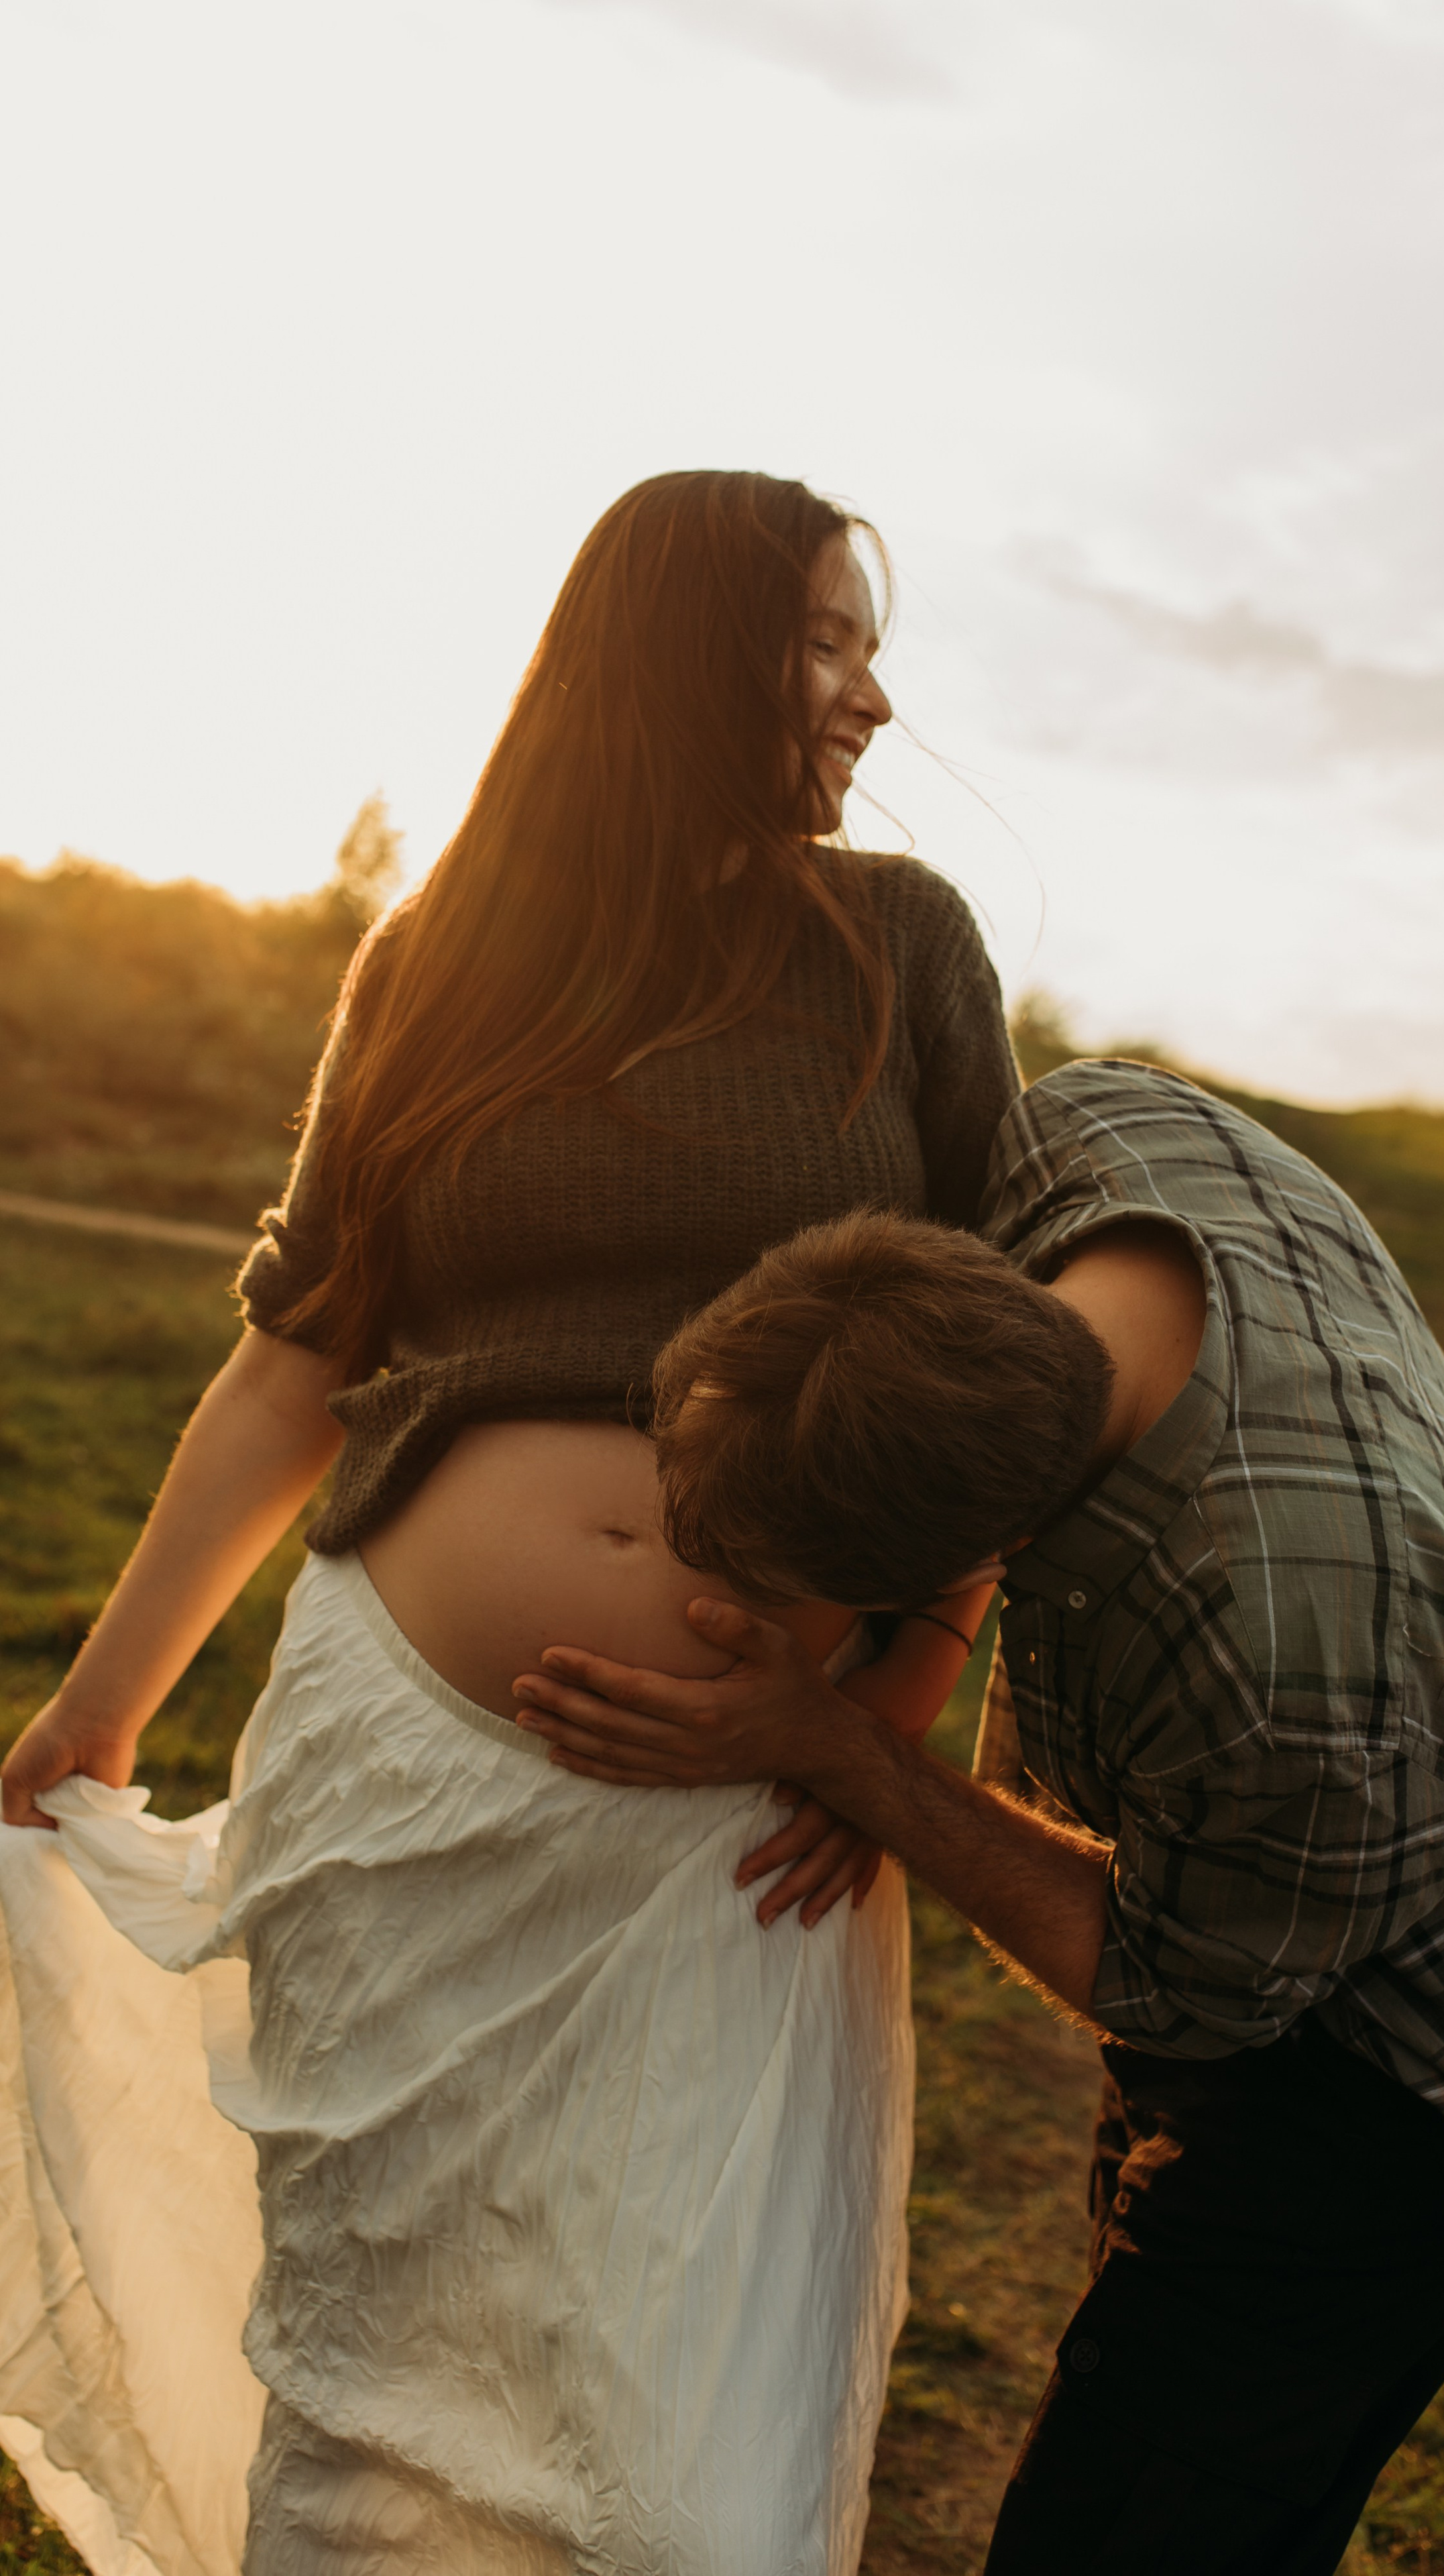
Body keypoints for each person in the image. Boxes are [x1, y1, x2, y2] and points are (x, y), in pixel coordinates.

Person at [0, 469, 1020, 2576]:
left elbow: (1001, 1363)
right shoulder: (440, 959)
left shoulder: (898, 953)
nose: (876, 699)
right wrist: (98, 1711)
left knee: (686, 2459)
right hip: (400, 1787)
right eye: (829, 645)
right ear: (685, 666)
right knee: (372, 2393)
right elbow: (302, 1352)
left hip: (727, 1835)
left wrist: (891, 1703)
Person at [508, 1057, 1444, 2576]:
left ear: (988, 1548)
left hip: (1389, 2091)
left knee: (1134, 2527)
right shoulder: (1098, 1129)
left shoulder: (1289, 1668)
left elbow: (1170, 1991)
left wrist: (841, 1747)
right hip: (1278, 1892)